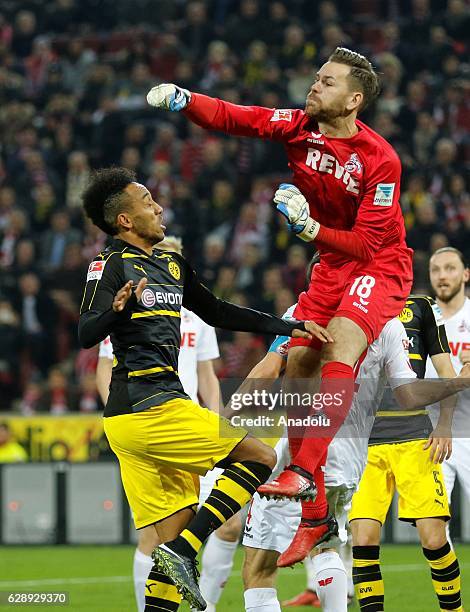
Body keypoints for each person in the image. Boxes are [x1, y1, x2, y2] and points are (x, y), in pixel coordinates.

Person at [147, 45, 414, 559]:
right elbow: (235, 117)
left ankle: (299, 471)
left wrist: (312, 228)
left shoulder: (380, 160)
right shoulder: (297, 126)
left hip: (379, 265)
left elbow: (367, 244)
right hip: (331, 267)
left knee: (341, 346)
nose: (315, 86)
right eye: (316, 78)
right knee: (299, 361)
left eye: (328, 82)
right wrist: (184, 100)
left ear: (354, 99)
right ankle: (314, 517)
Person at [78, 166, 331, 611]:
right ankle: (187, 546)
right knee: (262, 458)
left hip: (141, 418)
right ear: (125, 220)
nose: (158, 207)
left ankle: (179, 551)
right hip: (148, 407)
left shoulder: (171, 265)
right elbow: (85, 331)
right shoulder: (110, 264)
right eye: (146, 201)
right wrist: (115, 313)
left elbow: (217, 310)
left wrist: (287, 325)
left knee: (168, 559)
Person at [238, 314, 470, 612]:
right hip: (354, 456)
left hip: (309, 451)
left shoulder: (303, 310)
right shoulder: (387, 323)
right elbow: (409, 394)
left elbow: (269, 368)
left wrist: (230, 421)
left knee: (259, 564)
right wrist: (456, 383)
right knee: (331, 544)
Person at [96, 235, 237, 612]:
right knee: (154, 536)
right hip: (147, 419)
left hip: (189, 423)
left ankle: (202, 605)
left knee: (229, 524)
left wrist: (219, 418)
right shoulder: (131, 305)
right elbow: (104, 370)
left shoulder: (195, 316)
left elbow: (208, 375)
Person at [349, 295, 462, 612]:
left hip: (415, 438)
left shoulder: (423, 307)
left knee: (434, 539)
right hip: (365, 444)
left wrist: (445, 423)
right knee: (364, 539)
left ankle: (453, 610)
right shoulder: (353, 303)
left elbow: (445, 369)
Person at [426, 247, 470, 536]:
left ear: (466, 274)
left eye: (450, 268)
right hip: (432, 436)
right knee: (432, 527)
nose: (443, 276)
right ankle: (450, 584)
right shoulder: (421, 320)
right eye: (436, 270)